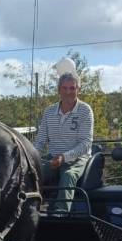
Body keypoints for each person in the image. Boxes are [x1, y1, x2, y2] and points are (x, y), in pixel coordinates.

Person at [34, 59, 94, 214]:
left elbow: (85, 144)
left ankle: (61, 214)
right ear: (59, 90)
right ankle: (29, 210)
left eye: (72, 88)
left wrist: (64, 158)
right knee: (32, 172)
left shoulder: (85, 111)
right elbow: (40, 141)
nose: (69, 92)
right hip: (53, 158)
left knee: (68, 175)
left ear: (78, 89)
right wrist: (31, 157)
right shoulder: (49, 112)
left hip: (77, 160)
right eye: (65, 88)